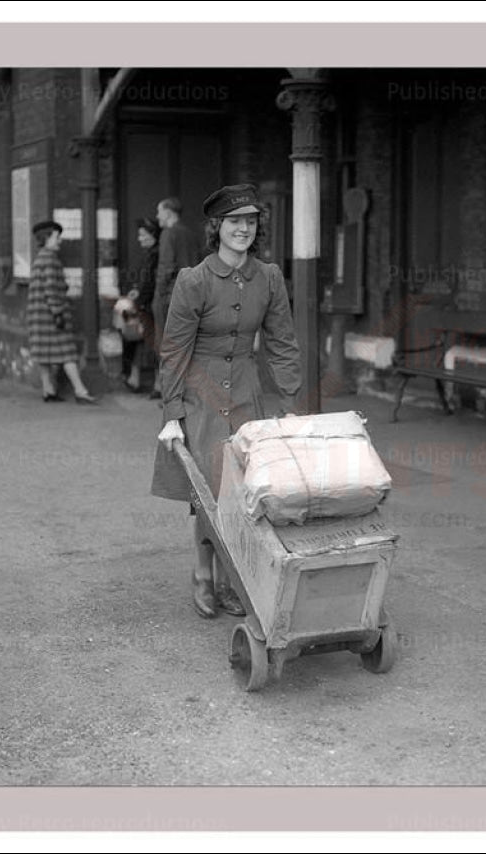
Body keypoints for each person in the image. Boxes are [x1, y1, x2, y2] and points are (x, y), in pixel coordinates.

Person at [151, 184, 301, 619]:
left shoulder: (268, 277)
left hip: (246, 392)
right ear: (217, 227)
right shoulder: (193, 281)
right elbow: (175, 349)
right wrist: (172, 413)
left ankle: (232, 579)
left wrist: (289, 401)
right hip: (201, 394)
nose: (244, 229)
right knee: (212, 489)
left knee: (247, 489)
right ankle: (203, 575)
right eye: (235, 221)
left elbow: (283, 342)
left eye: (251, 221)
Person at [25, 219, 97, 404]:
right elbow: (50, 289)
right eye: (57, 237)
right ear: (46, 238)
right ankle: (80, 391)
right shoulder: (50, 259)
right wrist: (58, 312)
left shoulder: (40, 257)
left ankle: (48, 390)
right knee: (68, 353)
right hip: (51, 315)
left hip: (37, 316)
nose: (59, 241)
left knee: (44, 355)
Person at [151, 196, 202, 399]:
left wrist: (159, 294)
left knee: (167, 346)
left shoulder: (168, 234)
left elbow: (166, 266)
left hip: (170, 296)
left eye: (159, 212)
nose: (157, 216)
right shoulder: (190, 234)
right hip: (192, 295)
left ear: (169, 213)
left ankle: (172, 394)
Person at [116, 217, 159, 394]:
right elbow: (144, 282)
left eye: (143, 235)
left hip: (151, 306)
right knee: (138, 341)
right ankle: (136, 379)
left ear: (153, 235)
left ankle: (155, 384)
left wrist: (139, 298)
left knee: (150, 344)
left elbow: (151, 282)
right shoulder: (149, 254)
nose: (139, 239)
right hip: (146, 303)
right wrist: (135, 291)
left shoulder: (156, 255)